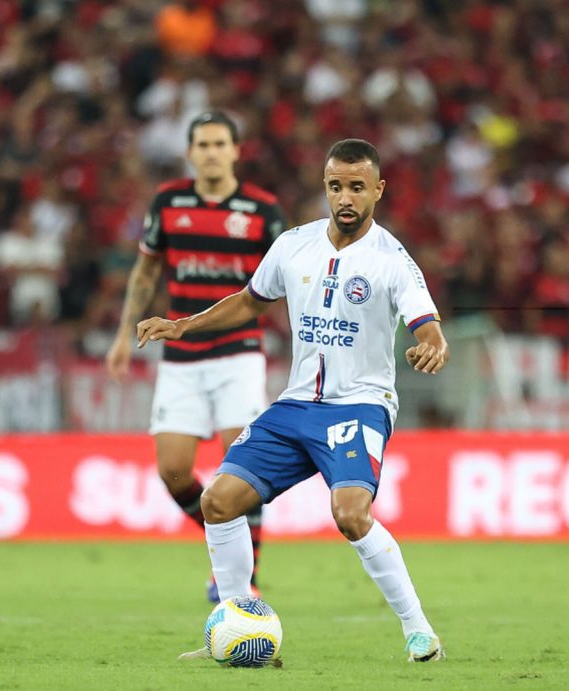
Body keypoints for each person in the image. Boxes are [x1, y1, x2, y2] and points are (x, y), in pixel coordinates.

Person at [138, 139, 448, 662]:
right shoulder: (293, 245)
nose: (345, 197)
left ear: (378, 189)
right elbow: (248, 302)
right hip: (296, 406)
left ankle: (419, 632)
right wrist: (182, 325)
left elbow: (427, 324)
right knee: (218, 501)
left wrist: (431, 344)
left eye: (356, 187)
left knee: (350, 514)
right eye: (335, 186)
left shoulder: (393, 259)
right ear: (325, 186)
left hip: (358, 406)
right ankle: (236, 622)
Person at [106, 111, 286, 601]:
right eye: (202, 144)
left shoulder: (262, 210)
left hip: (239, 350)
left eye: (219, 143)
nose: (210, 151)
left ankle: (241, 576)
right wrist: (124, 335)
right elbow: (145, 275)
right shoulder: (168, 202)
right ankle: (224, 542)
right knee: (173, 470)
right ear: (190, 152)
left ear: (235, 150)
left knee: (240, 464)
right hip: (181, 354)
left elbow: (287, 281)